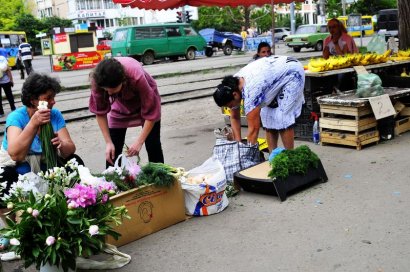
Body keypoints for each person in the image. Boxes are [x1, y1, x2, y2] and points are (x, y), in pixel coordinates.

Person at [0, 73, 82, 198]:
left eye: (53, 97)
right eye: (48, 98)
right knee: (5, 181)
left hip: (47, 162)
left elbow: (70, 149)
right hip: (20, 164)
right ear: (33, 100)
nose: (53, 101)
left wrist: (61, 144)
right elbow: (16, 155)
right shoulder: (16, 117)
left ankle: (74, 204)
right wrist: (33, 123)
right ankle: (14, 215)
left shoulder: (55, 115)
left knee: (75, 163)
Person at [213, 55, 305, 152]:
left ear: (235, 94)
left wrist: (247, 154)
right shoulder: (231, 85)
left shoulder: (250, 92)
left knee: (282, 118)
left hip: (292, 73)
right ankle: (272, 157)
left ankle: (291, 157)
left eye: (230, 105)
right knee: (266, 116)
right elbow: (235, 117)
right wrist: (238, 145)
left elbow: (253, 129)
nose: (232, 108)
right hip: (271, 77)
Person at [89, 57, 164, 167]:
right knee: (113, 149)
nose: (109, 94)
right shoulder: (98, 79)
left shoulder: (136, 76)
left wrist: (139, 142)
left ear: (123, 80)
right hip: (119, 105)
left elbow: (151, 113)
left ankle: (161, 180)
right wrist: (108, 142)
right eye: (106, 90)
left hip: (145, 101)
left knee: (153, 144)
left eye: (112, 90)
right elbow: (100, 112)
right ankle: (112, 182)